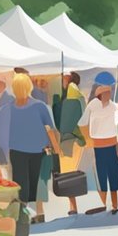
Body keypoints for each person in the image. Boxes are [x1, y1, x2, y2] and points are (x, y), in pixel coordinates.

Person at [4, 74, 62, 222]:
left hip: (17, 151)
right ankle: (35, 213)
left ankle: (24, 215)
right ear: (29, 87)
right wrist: (56, 148)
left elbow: (5, 131)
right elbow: (50, 129)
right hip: (37, 150)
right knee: (36, 182)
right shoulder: (39, 106)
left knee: (20, 182)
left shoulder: (8, 108)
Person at [79, 72, 118, 214]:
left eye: (109, 92)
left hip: (111, 145)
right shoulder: (93, 105)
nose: (108, 95)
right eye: (105, 92)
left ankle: (114, 205)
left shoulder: (114, 107)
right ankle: (104, 204)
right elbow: (82, 123)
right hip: (99, 146)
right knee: (102, 174)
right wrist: (88, 140)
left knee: (112, 174)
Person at [53, 72, 84, 216]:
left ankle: (73, 206)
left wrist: (55, 101)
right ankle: (73, 205)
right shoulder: (77, 95)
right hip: (76, 137)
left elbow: (64, 121)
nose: (62, 80)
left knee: (68, 172)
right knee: (70, 171)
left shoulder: (71, 96)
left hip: (69, 138)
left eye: (65, 77)